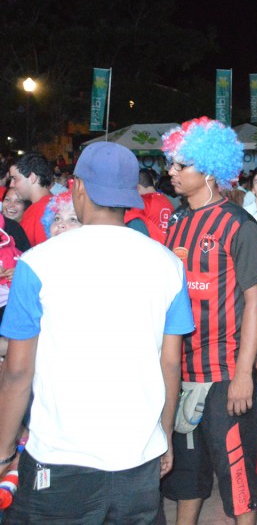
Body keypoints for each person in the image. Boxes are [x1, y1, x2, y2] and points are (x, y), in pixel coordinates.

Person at [0, 142, 194, 523]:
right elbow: (170, 364)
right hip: (138, 457)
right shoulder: (168, 264)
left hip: (59, 459)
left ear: (78, 189)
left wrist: (5, 450)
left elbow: (18, 372)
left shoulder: (37, 264)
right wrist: (165, 435)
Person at [160, 117, 257, 524]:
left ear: (209, 169)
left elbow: (256, 300)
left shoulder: (239, 224)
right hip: (181, 371)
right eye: (171, 163)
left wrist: (243, 374)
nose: (172, 171)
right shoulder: (176, 221)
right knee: (187, 475)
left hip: (225, 373)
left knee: (236, 472)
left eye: (181, 164)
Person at [8, 152, 53, 247]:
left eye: (14, 178)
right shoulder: (52, 203)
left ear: (32, 177)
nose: (11, 184)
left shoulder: (41, 211)